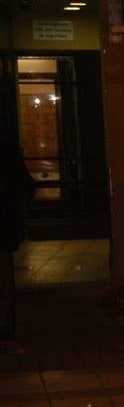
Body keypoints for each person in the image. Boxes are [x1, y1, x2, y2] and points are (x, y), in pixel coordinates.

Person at [0, 136, 36, 352]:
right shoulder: (6, 149)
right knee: (4, 286)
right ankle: (5, 333)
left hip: (3, 230)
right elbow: (25, 186)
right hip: (3, 230)